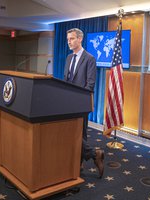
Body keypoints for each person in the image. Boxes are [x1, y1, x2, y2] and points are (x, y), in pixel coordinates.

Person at [64, 28, 104, 178]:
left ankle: (83, 160)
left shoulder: (90, 58)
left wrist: (78, 101)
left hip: (81, 103)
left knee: (80, 133)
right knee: (70, 132)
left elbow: (90, 85)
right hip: (68, 103)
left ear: (80, 39)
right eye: (68, 39)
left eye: (72, 39)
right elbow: (66, 81)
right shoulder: (68, 58)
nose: (69, 41)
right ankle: (93, 154)